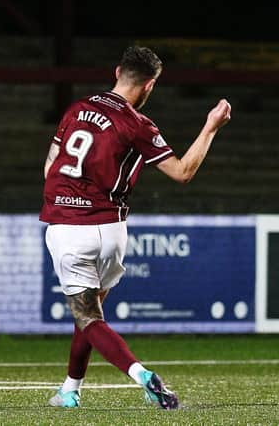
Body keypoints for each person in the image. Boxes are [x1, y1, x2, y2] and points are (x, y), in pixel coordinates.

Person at [40, 45, 231, 410]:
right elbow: (183, 171)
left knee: (87, 316)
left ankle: (141, 374)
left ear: (117, 72)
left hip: (68, 225)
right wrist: (210, 127)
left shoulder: (77, 109)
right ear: (149, 86)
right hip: (112, 229)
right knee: (93, 314)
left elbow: (51, 166)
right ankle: (69, 390)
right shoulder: (137, 124)